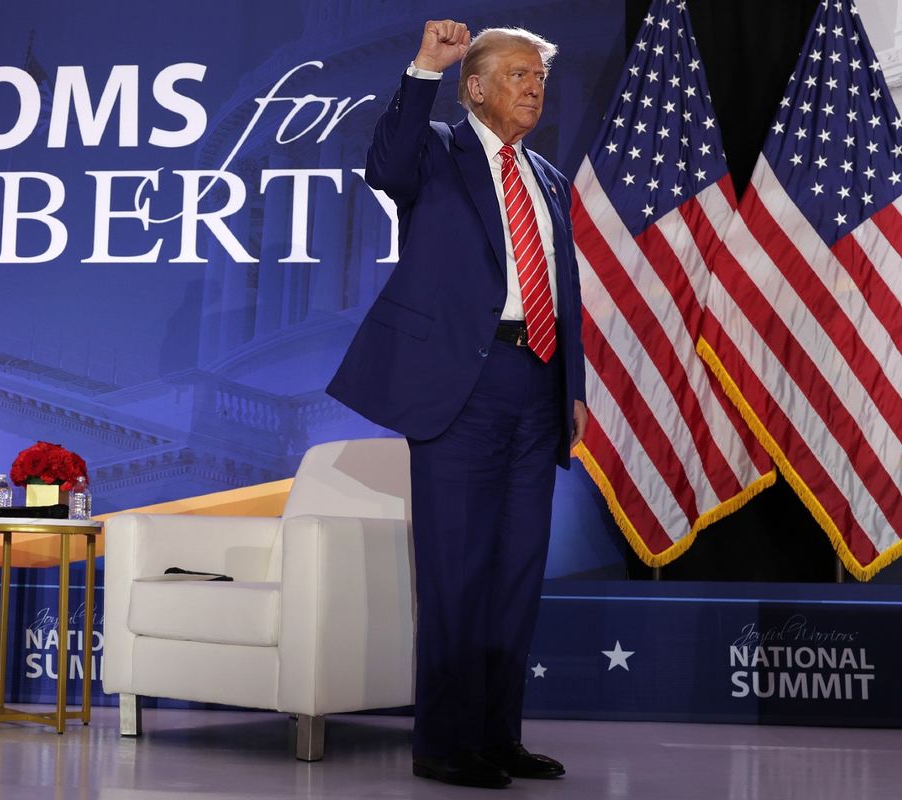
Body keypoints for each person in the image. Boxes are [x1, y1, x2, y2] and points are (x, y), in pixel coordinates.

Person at [326, 19, 588, 789]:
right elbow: (387, 162)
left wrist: (570, 387)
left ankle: (498, 737)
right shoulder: (437, 151)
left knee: (516, 571)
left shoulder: (550, 179)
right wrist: (422, 70)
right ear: (475, 87)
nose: (533, 86)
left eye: (538, 76)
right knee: (456, 569)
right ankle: (444, 743)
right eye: (516, 74)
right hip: (460, 388)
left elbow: (565, 294)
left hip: (535, 385)